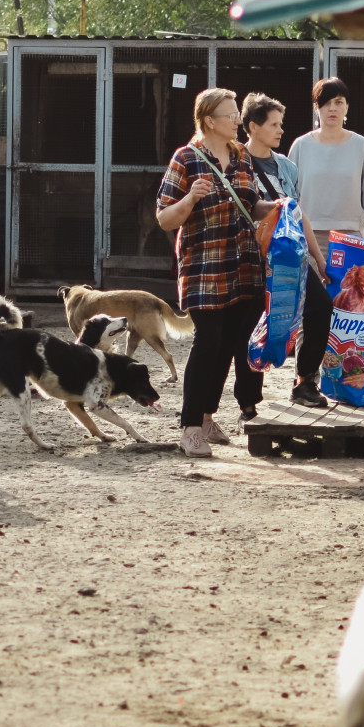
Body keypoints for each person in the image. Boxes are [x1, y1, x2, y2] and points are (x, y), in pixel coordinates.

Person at [156, 88, 275, 458]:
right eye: (231, 115)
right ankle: (190, 427)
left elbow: (252, 205)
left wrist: (278, 207)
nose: (238, 120)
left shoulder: (241, 157)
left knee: (229, 345)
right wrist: (190, 198)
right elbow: (163, 218)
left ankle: (208, 416)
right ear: (209, 120)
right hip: (204, 268)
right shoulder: (186, 159)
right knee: (207, 343)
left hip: (242, 266)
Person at [287, 77, 364, 406]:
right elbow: (289, 198)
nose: (333, 108)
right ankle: (305, 381)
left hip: (351, 240)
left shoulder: (360, 145)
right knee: (312, 310)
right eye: (326, 102)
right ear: (317, 108)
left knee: (352, 313)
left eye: (339, 102)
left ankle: (347, 382)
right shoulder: (301, 146)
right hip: (309, 237)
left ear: (347, 108)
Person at [235, 92, 301, 422]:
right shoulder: (235, 161)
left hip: (286, 257)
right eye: (274, 124)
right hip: (248, 258)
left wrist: (313, 257)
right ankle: (248, 402)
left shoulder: (286, 166)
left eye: (281, 123)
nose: (280, 130)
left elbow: (298, 213)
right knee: (250, 324)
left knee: (316, 306)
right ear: (253, 127)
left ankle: (305, 382)